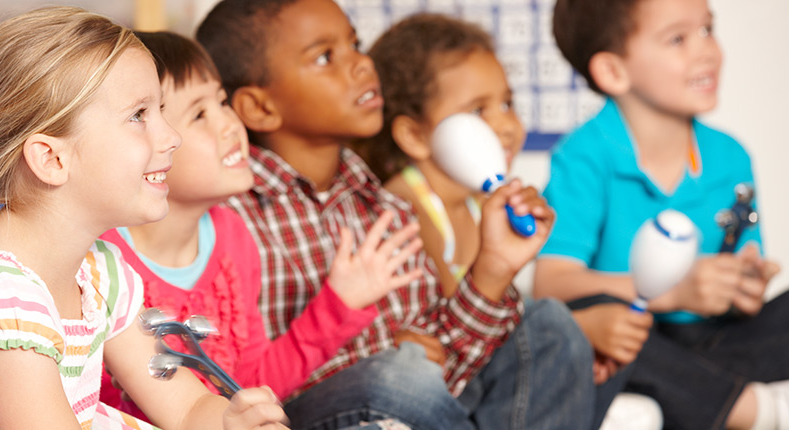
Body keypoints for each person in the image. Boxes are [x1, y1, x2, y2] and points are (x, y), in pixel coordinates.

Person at [197, 1, 596, 428]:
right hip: (305, 415)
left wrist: (494, 267)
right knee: (399, 375)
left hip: (412, 406)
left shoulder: (385, 208)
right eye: (326, 56)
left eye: (355, 44)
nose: (361, 65)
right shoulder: (229, 215)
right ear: (260, 108)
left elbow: (444, 369)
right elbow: (236, 383)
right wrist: (390, 359)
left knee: (548, 325)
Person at [0, 7, 287, 430]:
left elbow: (186, 408)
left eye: (160, 110)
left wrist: (231, 421)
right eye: (140, 116)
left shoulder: (100, 274)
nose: (171, 137)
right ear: (51, 158)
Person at [99, 30, 423, 425]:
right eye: (200, 114)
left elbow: (249, 385)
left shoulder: (232, 235)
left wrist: (339, 304)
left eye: (221, 102)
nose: (230, 124)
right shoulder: (102, 253)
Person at [351, 12, 644, 429]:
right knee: (558, 325)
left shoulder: (476, 205)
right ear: (415, 136)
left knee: (602, 332)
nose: (505, 125)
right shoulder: (405, 205)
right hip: (440, 389)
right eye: (478, 110)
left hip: (479, 379)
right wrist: (575, 329)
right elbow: (468, 326)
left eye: (507, 103)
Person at [534, 0, 789, 428]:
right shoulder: (583, 157)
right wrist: (673, 293)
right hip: (635, 343)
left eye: (708, 30)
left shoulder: (730, 156)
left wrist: (744, 286)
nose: (708, 51)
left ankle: (704, 398)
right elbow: (550, 284)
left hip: (711, 345)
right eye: (678, 39)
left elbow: (744, 274)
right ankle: (754, 411)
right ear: (614, 71)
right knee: (580, 325)